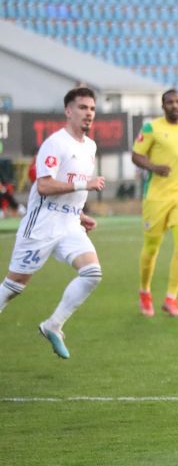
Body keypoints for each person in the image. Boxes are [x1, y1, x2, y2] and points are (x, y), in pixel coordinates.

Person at [0, 86, 106, 359]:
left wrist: (79, 214)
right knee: (14, 287)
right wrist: (85, 184)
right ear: (68, 111)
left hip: (69, 222)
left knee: (92, 273)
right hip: (42, 223)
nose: (88, 113)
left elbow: (71, 184)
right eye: (82, 107)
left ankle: (53, 325)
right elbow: (44, 185)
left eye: (92, 109)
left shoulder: (90, 146)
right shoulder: (55, 143)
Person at [131, 89, 178, 317]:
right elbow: (136, 155)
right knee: (152, 248)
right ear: (163, 106)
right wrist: (154, 167)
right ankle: (145, 292)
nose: (174, 105)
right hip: (156, 197)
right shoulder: (151, 128)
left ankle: (171, 298)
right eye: (170, 102)